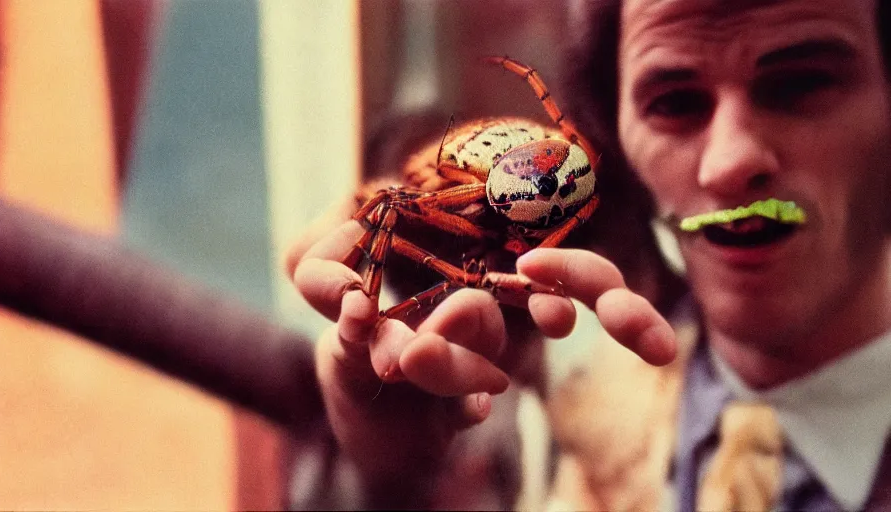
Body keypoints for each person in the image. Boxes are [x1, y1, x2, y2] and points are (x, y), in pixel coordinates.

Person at [289, 0, 891, 509]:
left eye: (803, 83)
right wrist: (399, 476)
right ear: (618, 137)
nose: (730, 163)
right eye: (675, 102)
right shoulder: (556, 378)